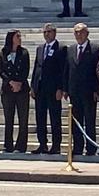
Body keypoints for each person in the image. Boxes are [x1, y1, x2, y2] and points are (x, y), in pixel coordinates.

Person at [63, 23, 99, 156]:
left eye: (81, 32)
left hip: (89, 92)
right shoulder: (70, 49)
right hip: (74, 91)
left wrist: (97, 90)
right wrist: (65, 89)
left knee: (90, 121)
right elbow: (66, 70)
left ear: (87, 34)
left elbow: (98, 71)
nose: (79, 35)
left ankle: (91, 148)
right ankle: (78, 147)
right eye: (76, 32)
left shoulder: (96, 49)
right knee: (76, 122)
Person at [30, 24, 66, 155]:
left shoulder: (61, 48)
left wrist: (60, 88)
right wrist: (33, 86)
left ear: (55, 33)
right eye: (44, 32)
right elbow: (36, 68)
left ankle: (56, 145)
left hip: (53, 89)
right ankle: (42, 144)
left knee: (55, 118)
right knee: (40, 117)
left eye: (49, 32)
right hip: (40, 88)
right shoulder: (40, 48)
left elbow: (62, 70)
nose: (46, 34)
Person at [0, 30, 30, 153]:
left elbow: (25, 69)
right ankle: (8, 144)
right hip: (8, 89)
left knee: (23, 118)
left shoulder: (24, 52)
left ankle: (21, 146)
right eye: (17, 36)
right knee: (8, 118)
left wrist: (19, 83)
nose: (20, 38)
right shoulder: (3, 53)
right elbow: (1, 70)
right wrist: (11, 82)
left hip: (22, 89)